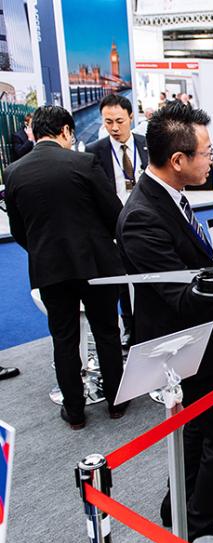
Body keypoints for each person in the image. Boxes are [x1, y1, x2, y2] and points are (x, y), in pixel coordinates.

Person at [116, 102, 213, 543]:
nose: (212, 160)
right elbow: (182, 297)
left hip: (200, 342)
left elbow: (198, 271)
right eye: (207, 152)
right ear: (178, 160)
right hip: (182, 348)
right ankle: (199, 529)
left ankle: (179, 506)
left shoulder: (171, 198)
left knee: (198, 431)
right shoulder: (143, 216)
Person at [4, 106, 126, 429]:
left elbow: (18, 230)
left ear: (34, 133)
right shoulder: (84, 163)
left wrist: (44, 251)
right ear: (66, 132)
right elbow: (114, 213)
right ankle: (116, 402)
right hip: (96, 265)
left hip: (49, 269)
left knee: (64, 339)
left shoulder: (13, 172)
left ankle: (75, 413)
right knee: (107, 332)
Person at [86, 94, 149, 348]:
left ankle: (149, 325)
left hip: (146, 221)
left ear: (131, 117)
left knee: (149, 275)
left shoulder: (148, 144)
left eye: (119, 121)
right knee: (122, 280)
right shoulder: (94, 152)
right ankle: (129, 327)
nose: (114, 127)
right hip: (114, 226)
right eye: (108, 121)